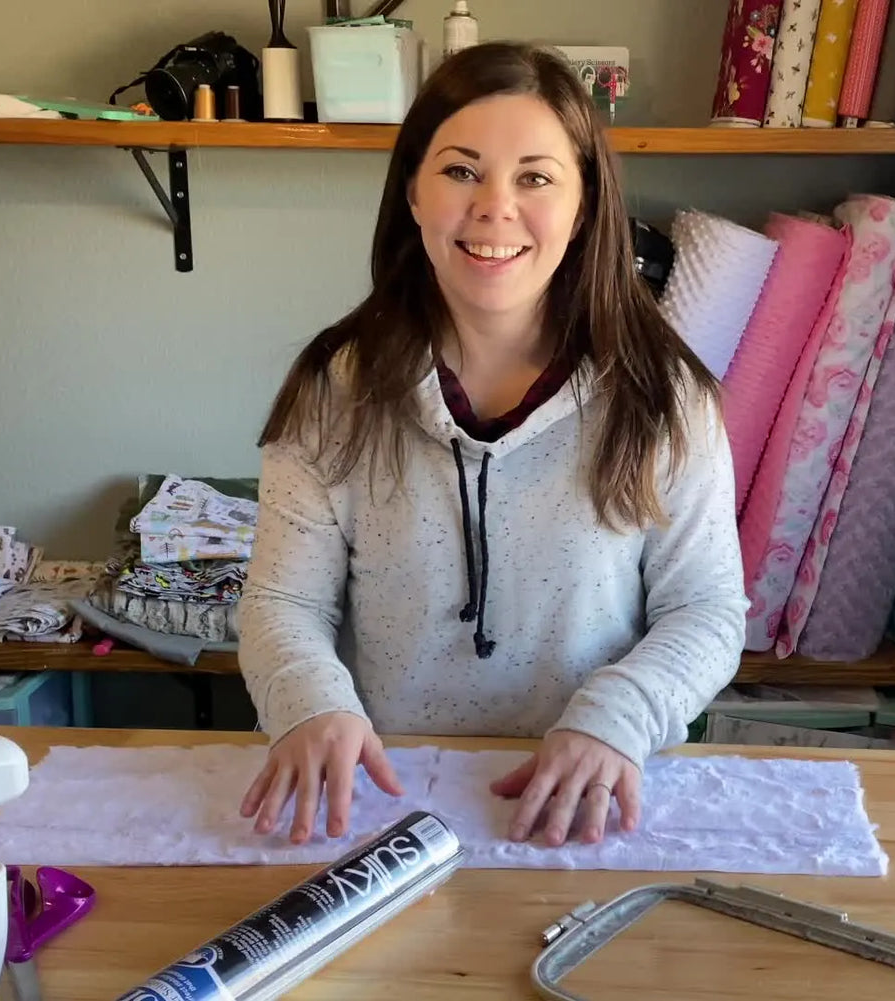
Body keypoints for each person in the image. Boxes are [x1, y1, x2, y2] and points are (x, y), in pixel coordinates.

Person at [235, 41, 746, 852]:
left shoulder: (665, 398)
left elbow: (706, 610)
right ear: (412, 191)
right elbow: (283, 603)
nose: (494, 208)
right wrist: (309, 702)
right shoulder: (332, 391)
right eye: (461, 171)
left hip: (595, 814)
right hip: (383, 808)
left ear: (583, 206)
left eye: (536, 177)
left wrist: (616, 721)